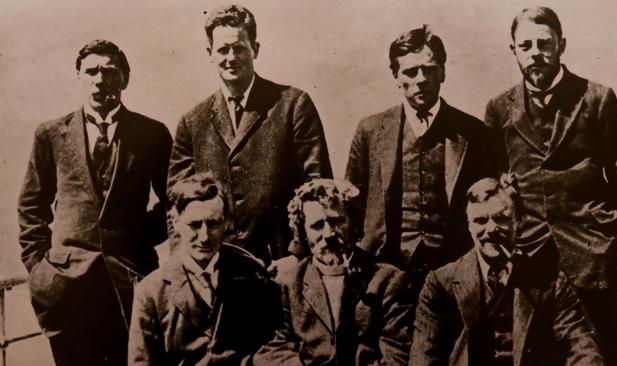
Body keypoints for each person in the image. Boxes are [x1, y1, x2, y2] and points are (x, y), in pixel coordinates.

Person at [484, 7, 617, 365]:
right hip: (530, 261)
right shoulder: (498, 109)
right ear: (513, 50)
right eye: (525, 45)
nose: (535, 52)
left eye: (545, 43)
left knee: (599, 355)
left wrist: (598, 224)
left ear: (561, 45)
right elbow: (495, 183)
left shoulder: (597, 98)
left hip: (591, 260)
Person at [17, 40, 172, 365]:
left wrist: (138, 239)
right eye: (91, 71)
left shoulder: (152, 133)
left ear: (125, 79)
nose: (100, 80)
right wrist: (39, 270)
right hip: (65, 288)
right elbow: (32, 205)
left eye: (109, 71)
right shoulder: (51, 134)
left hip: (130, 280)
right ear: (78, 76)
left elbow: (173, 200)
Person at [168, 4, 332, 265]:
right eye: (222, 50)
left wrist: (296, 254)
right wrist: (185, 264)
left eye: (239, 48)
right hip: (216, 266)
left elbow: (317, 188)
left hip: (282, 264)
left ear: (255, 49)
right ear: (210, 53)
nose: (230, 58)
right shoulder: (192, 121)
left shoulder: (293, 105)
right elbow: (177, 203)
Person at [345, 25, 498, 289]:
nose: (421, 79)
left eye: (429, 69)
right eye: (410, 71)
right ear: (395, 76)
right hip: (385, 271)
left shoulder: (474, 133)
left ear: (443, 72)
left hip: (453, 271)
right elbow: (351, 205)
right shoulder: (370, 131)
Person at [410, 175, 604, 366]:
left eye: (501, 218)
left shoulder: (550, 281)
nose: (492, 229)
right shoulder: (440, 283)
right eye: (480, 221)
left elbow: (579, 345)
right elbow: (424, 358)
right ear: (469, 226)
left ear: (519, 222)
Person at [253, 179, 412, 365]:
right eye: (317, 225)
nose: (328, 235)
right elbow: (272, 352)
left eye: (336, 221)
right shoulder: (289, 284)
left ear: (354, 224)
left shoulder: (389, 280)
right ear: (302, 232)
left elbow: (397, 356)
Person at [128, 173, 279, 365]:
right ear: (175, 222)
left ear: (226, 222)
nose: (205, 237)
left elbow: (271, 346)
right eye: (194, 225)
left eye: (213, 224)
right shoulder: (150, 292)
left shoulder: (251, 272)